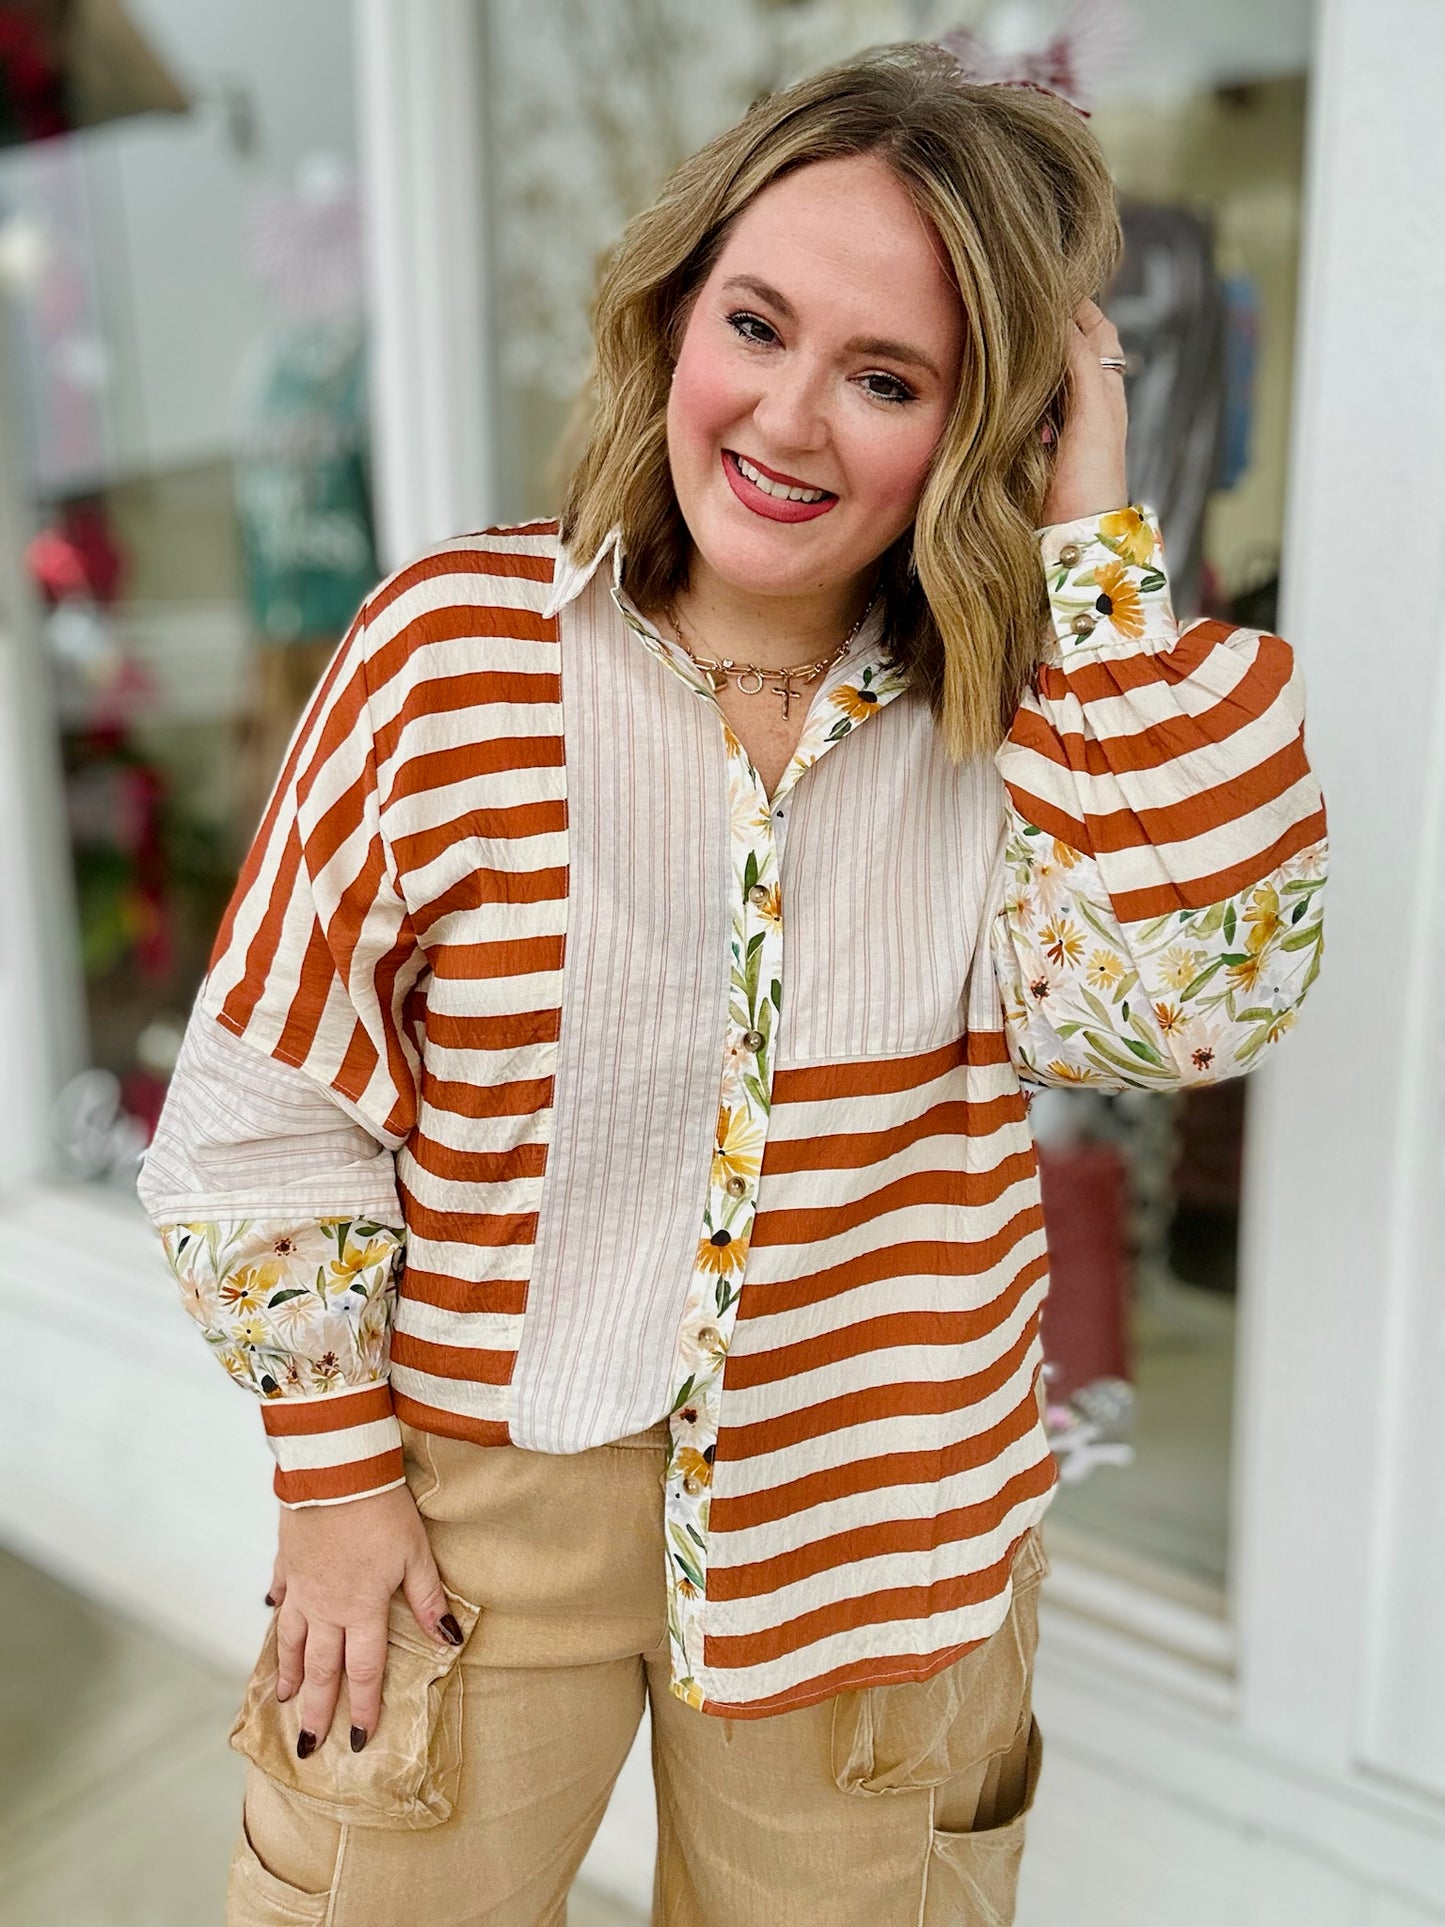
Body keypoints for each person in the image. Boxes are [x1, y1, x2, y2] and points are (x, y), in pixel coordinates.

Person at [138, 41, 1326, 1926]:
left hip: (886, 1507)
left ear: (978, 426)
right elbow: (267, 1108)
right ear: (675, 307)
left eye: (885, 377)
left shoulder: (1027, 732)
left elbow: (1193, 1000)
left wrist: (1092, 556)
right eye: (755, 324)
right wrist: (331, 1477)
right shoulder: (449, 657)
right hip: (470, 1498)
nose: (785, 418)